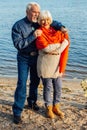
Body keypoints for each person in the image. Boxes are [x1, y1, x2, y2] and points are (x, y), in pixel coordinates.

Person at [11, 2, 67, 124]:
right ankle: (17, 112)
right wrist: (33, 36)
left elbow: (52, 22)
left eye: (38, 12)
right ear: (27, 12)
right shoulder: (18, 26)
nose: (36, 14)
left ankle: (32, 102)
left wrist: (61, 27)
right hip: (24, 58)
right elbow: (18, 45)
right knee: (21, 83)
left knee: (35, 82)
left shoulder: (38, 22)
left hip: (37, 58)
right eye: (34, 12)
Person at [36, 10, 70, 119]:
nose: (45, 22)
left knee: (59, 87)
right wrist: (60, 46)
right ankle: (49, 108)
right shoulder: (39, 32)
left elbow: (66, 41)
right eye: (42, 20)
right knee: (48, 88)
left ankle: (56, 106)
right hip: (45, 65)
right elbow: (46, 48)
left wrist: (59, 47)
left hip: (56, 66)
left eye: (47, 20)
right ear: (39, 21)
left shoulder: (56, 31)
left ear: (50, 20)